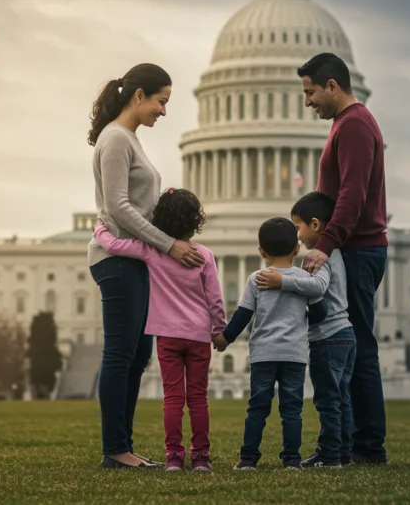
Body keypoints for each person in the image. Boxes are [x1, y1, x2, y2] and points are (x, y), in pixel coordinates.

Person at [87, 63, 205, 470]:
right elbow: (118, 206)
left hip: (133, 259)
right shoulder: (117, 139)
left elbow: (130, 207)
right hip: (117, 261)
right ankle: (115, 449)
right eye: (161, 101)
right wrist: (168, 244)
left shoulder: (128, 139)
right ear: (139, 96)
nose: (164, 110)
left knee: (136, 357)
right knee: (121, 355)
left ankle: (124, 447)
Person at [297, 52, 390, 465]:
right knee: (355, 347)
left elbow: (351, 196)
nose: (308, 101)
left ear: (332, 86)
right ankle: (354, 443)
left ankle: (366, 446)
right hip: (356, 247)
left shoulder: (352, 125)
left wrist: (324, 243)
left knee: (360, 349)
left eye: (311, 91)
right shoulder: (348, 123)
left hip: (356, 248)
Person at [92, 187, 225, 472]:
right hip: (199, 337)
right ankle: (201, 457)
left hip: (167, 337)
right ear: (196, 221)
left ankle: (174, 457)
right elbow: (215, 298)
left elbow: (116, 246)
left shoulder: (152, 252)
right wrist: (220, 329)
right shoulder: (204, 255)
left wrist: (100, 230)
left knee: (173, 398)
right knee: (199, 399)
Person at [214, 217, 329, 471]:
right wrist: (301, 320)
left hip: (263, 355)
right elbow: (321, 313)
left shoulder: (257, 278)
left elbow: (243, 315)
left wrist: (225, 338)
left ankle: (248, 459)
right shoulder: (303, 280)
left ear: (261, 252)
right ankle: (291, 460)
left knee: (257, 408)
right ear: (297, 249)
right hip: (294, 355)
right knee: (292, 411)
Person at [288, 191, 355, 469]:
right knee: (342, 397)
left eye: (297, 227)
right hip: (344, 334)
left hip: (327, 338)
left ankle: (329, 455)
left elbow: (316, 288)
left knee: (327, 400)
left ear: (315, 224)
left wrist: (284, 281)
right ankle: (343, 452)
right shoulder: (335, 253)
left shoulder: (319, 259)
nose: (297, 235)